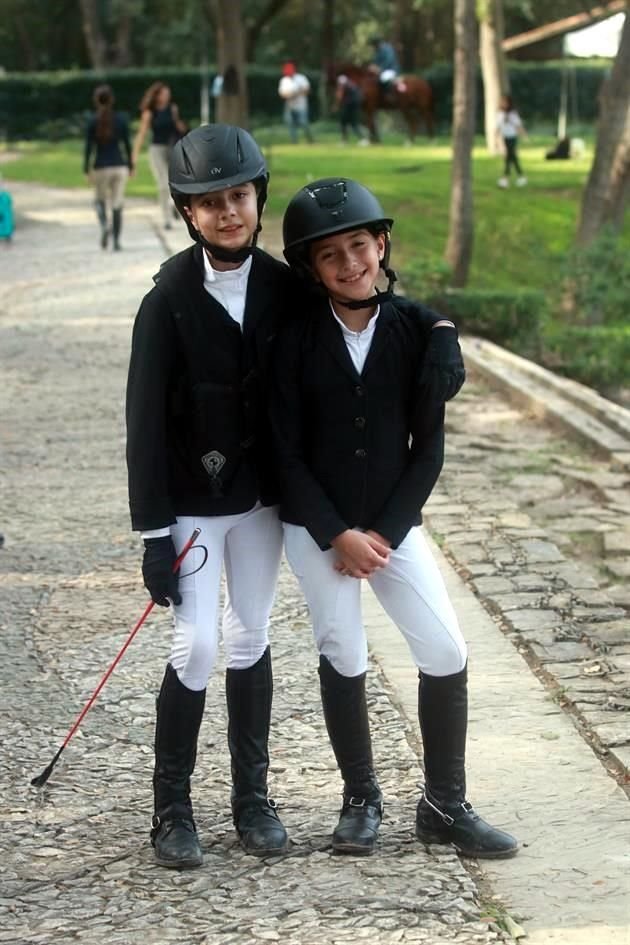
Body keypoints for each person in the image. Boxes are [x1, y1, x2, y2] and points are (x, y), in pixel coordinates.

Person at [271, 177, 519, 860]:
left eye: (360, 245)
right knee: (343, 649)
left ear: (381, 244)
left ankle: (445, 802)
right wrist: (335, 533)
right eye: (331, 255)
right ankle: (360, 797)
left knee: (445, 649)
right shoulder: (292, 341)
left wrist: (384, 530)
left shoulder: (416, 331)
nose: (350, 262)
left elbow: (428, 448)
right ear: (311, 269)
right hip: (314, 525)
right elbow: (284, 452)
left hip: (392, 526)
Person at [126, 124, 297, 870]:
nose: (228, 212)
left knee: (250, 633)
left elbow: (370, 312)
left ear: (259, 199)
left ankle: (252, 799)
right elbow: (142, 424)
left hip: (259, 503)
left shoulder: (288, 289)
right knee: (196, 641)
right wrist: (153, 533)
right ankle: (171, 808)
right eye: (210, 203)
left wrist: (440, 329)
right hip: (194, 501)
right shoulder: (165, 301)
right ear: (187, 212)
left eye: (239, 196)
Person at [131, 82, 187, 228]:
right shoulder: (150, 112)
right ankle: (167, 218)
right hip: (157, 150)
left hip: (173, 149)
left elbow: (178, 127)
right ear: (157, 96)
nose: (167, 96)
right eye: (164, 94)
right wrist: (134, 157)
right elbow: (141, 134)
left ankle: (174, 205)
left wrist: (182, 126)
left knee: (177, 182)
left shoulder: (172, 109)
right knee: (163, 184)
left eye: (168, 94)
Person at [83, 84, 132, 251]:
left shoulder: (92, 121)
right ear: (112, 100)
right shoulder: (120, 119)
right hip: (119, 166)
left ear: (95, 101)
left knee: (99, 200)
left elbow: (89, 147)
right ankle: (117, 242)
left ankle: (104, 225)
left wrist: (86, 169)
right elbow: (127, 144)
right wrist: (131, 165)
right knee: (117, 204)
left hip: (101, 167)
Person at [496, 94, 527, 188]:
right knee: (512, 158)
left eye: (506, 102)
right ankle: (520, 176)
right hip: (505, 137)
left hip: (512, 137)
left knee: (509, 157)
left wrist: (524, 135)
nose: (504, 103)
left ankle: (505, 179)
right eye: (503, 101)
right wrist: (496, 139)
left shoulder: (513, 114)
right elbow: (498, 127)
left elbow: (518, 126)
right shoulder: (500, 114)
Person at [278, 62, 313, 144]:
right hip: (289, 106)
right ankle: (294, 141)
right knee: (290, 124)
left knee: (304, 123)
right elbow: (282, 94)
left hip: (301, 106)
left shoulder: (301, 78)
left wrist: (297, 93)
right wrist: (289, 95)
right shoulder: (284, 80)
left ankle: (309, 139)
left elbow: (307, 90)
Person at [335, 75, 368, 145]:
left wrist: (337, 106)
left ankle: (345, 140)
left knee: (345, 123)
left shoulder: (345, 87)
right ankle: (362, 139)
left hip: (349, 107)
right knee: (353, 124)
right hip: (354, 107)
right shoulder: (353, 86)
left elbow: (339, 96)